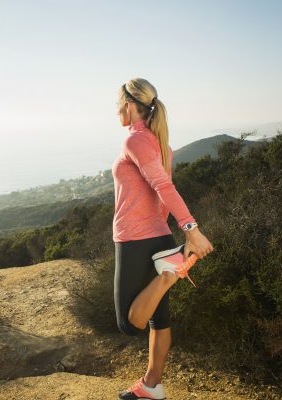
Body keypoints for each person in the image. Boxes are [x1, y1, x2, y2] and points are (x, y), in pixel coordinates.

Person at [112, 78, 214, 400]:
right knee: (159, 318)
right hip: (157, 236)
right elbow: (161, 187)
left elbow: (162, 187)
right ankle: (151, 386)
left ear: (129, 105)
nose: (116, 111)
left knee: (130, 323)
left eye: (118, 105)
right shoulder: (160, 142)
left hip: (134, 239)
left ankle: (168, 272)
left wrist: (191, 229)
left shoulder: (136, 140)